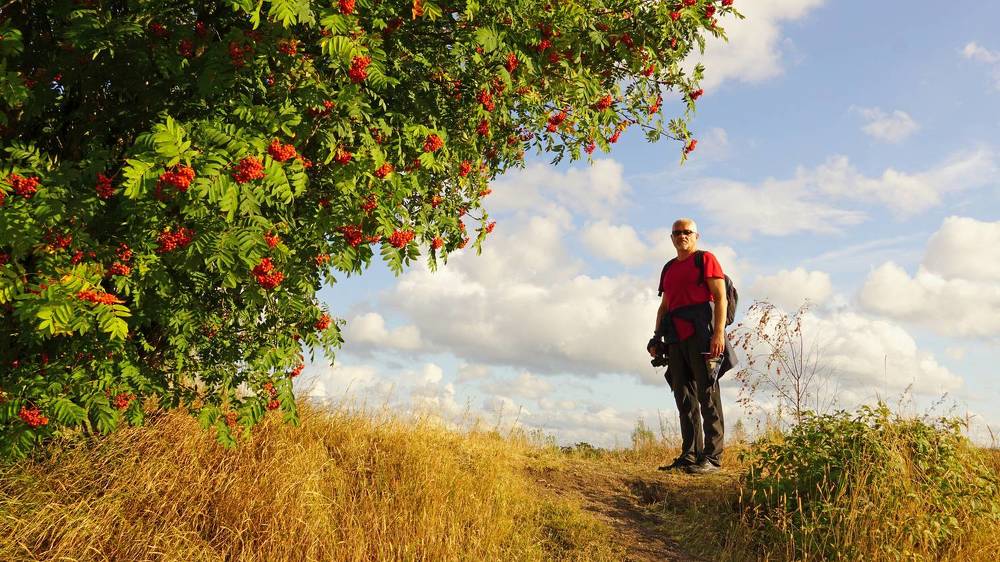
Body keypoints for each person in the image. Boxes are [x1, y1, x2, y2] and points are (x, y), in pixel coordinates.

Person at [648, 218, 732, 475]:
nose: (681, 236)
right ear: (671, 237)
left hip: (702, 336)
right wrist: (656, 337)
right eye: (676, 233)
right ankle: (690, 455)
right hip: (675, 338)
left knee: (707, 395)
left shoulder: (705, 259)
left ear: (696, 236)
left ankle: (713, 458)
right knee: (683, 397)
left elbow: (720, 298)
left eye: (687, 232)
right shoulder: (669, 268)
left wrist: (718, 335)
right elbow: (665, 306)